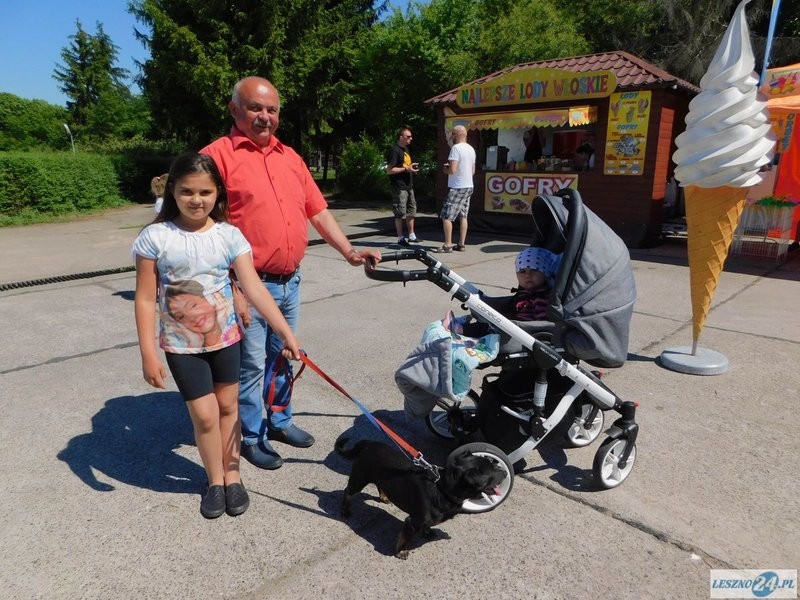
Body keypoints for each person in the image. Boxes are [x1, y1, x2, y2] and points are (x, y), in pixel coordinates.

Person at [201, 76, 381, 471]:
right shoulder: (216, 157)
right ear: (235, 111)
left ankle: (280, 421)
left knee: (284, 355)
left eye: (272, 110)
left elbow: (316, 210)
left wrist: (349, 250)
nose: (265, 117)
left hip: (290, 282)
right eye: (255, 108)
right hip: (247, 285)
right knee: (249, 366)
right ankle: (251, 436)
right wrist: (232, 288)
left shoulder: (291, 157)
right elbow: (205, 231)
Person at [132, 152, 301, 519]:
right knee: (206, 416)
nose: (197, 199)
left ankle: (233, 475)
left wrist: (285, 331)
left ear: (218, 194)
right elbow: (145, 299)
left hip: (226, 340)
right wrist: (148, 352)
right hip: (181, 346)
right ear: (173, 191)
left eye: (205, 192)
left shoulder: (229, 235)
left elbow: (254, 288)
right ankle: (214, 481)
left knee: (229, 408)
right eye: (188, 191)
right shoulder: (155, 238)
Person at [436, 125, 475, 253]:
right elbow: (473, 171)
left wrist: (445, 169)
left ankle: (448, 244)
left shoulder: (456, 148)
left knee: (446, 215)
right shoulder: (471, 149)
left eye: (453, 134)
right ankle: (461, 244)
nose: (451, 136)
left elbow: (452, 170)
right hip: (469, 185)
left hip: (458, 186)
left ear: (458, 134)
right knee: (463, 216)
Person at [386, 127, 420, 247]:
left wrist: (411, 168)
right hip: (399, 187)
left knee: (412, 210)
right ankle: (400, 238)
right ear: (401, 137)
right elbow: (389, 170)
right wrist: (406, 169)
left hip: (408, 185)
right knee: (400, 213)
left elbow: (406, 166)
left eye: (411, 136)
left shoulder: (406, 149)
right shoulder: (394, 151)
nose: (411, 138)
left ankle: (412, 235)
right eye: (408, 136)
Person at [508, 246, 560, 321]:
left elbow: (542, 322)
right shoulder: (523, 293)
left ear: (546, 275)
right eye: (523, 271)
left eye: (534, 270)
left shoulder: (542, 298)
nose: (528, 275)